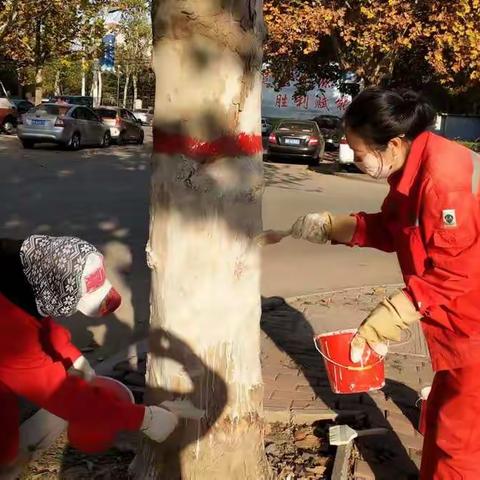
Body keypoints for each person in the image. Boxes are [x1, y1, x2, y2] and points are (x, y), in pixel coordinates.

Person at [290, 87, 480, 479]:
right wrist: (336, 226)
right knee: (443, 424)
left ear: (392, 143)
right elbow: (394, 227)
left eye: (359, 152)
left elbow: (458, 270)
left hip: (472, 324)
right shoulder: (412, 168)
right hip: (455, 323)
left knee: (459, 445)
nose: (357, 160)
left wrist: (393, 314)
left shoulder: (443, 182)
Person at [0, 235, 178, 470]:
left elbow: (39, 323)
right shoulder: (9, 328)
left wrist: (73, 357)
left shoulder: (25, 266)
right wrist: (144, 419)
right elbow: (56, 393)